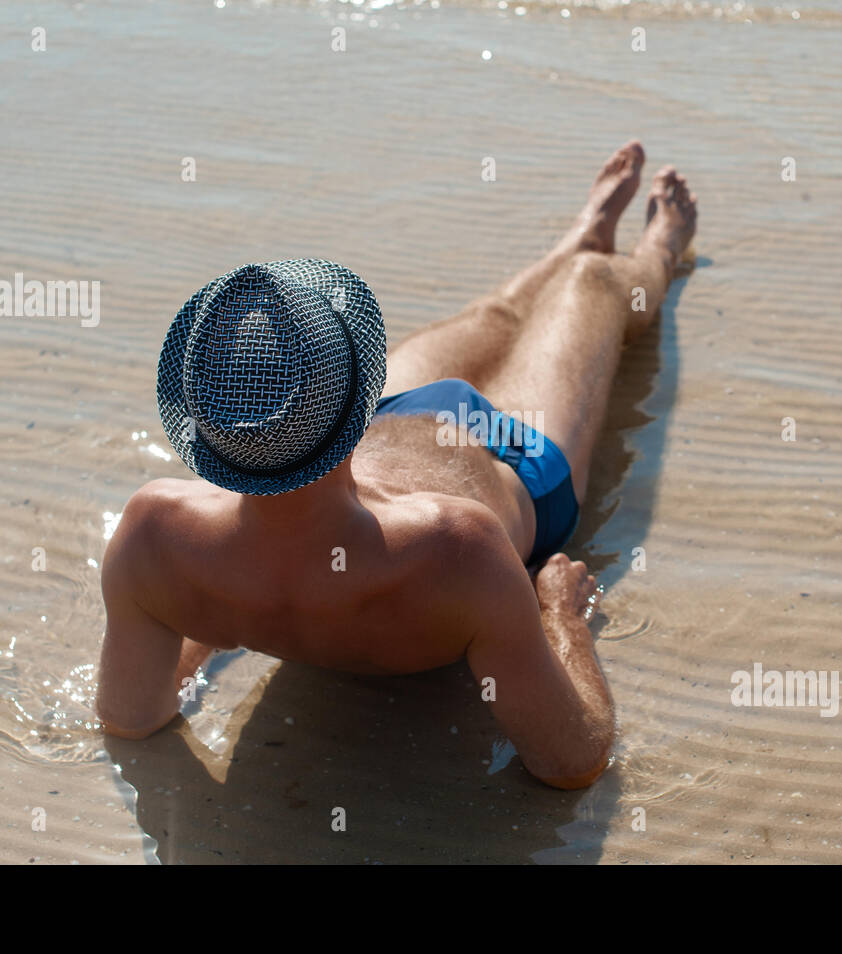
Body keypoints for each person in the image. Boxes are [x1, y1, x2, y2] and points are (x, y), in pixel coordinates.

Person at [95, 141, 697, 789]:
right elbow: (572, 757)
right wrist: (561, 619)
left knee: (491, 316)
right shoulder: (457, 549)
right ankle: (656, 252)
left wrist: (208, 616)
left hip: (391, 421)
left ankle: (580, 235)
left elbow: (132, 718)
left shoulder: (155, 535)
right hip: (515, 456)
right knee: (596, 286)